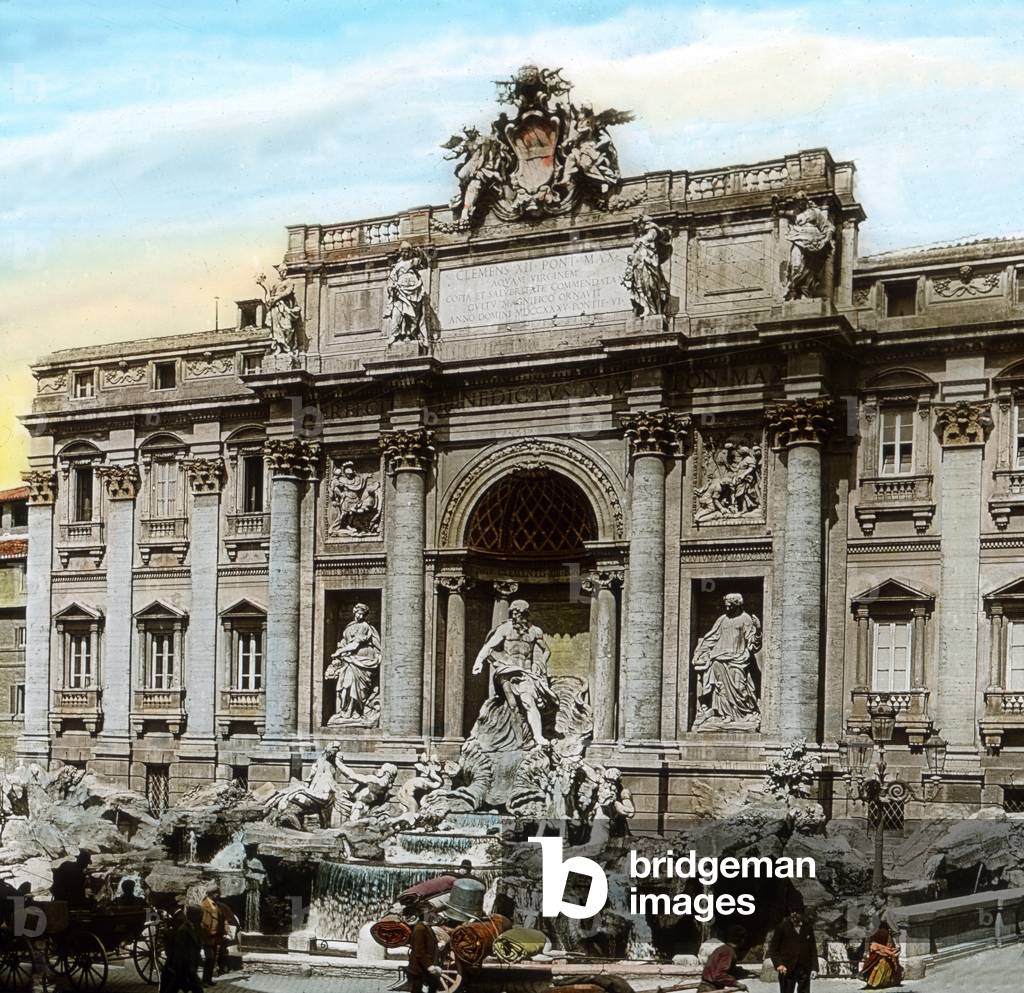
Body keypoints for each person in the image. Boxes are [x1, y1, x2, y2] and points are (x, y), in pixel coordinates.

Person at [471, 599, 556, 749]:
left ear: (526, 613)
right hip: (507, 670)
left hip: (525, 672)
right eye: (514, 613)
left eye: (519, 613)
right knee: (513, 705)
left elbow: (547, 650)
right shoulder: (505, 629)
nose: (516, 616)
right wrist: (479, 661)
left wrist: (540, 663)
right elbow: (489, 646)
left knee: (529, 702)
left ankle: (537, 736)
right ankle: (517, 741)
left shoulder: (535, 631)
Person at [692, 593, 763, 731]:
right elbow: (711, 637)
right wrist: (700, 652)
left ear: (737, 605)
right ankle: (725, 716)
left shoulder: (745, 619)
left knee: (740, 688)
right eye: (726, 606)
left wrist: (758, 630)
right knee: (720, 689)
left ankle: (745, 714)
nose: (727, 608)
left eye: (730, 606)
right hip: (719, 658)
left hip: (738, 660)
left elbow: (752, 644)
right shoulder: (722, 619)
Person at [325, 604, 382, 724]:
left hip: (362, 662)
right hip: (349, 661)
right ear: (354, 612)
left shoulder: (364, 627)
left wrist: (340, 651)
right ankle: (344, 711)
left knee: (356, 688)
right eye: (358, 613)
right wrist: (340, 652)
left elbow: (355, 644)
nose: (360, 616)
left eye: (363, 614)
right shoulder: (349, 626)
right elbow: (344, 642)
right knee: (343, 688)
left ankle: (355, 712)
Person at [769, 906, 819, 993]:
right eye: (792, 911)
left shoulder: (808, 928)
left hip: (804, 969)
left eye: (797, 912)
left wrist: (814, 968)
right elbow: (773, 949)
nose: (794, 914)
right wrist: (779, 964)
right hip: (786, 969)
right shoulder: (782, 927)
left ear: (803, 914)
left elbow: (813, 949)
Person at [160, 905, 204, 993]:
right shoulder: (183, 930)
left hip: (189, 963)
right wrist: (177, 966)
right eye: (199, 915)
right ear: (193, 916)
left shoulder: (195, 927)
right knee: (196, 986)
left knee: (175, 985)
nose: (201, 917)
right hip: (185, 964)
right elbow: (179, 950)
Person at [698, 926, 750, 991]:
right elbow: (720, 975)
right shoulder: (728, 952)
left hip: (705, 985)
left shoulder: (722, 949)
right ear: (742, 940)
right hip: (710, 988)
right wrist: (737, 984)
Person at [406, 903, 443, 993]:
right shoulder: (420, 928)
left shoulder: (427, 927)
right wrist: (429, 966)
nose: (434, 916)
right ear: (425, 916)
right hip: (419, 967)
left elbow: (430, 943)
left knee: (433, 986)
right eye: (431, 914)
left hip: (423, 966)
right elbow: (419, 951)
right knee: (417, 988)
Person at [860, 921, 903, 989]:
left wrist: (897, 943)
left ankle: (887, 981)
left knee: (887, 963)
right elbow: (867, 938)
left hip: (887, 944)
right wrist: (866, 951)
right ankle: (874, 982)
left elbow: (894, 932)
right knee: (876, 963)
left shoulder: (887, 918)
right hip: (876, 947)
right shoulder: (871, 923)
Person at [200, 883, 228, 985]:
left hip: (216, 936)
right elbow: (203, 922)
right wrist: (208, 932)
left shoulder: (216, 904)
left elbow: (221, 918)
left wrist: (224, 930)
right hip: (207, 936)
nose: (219, 895)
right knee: (209, 958)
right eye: (217, 893)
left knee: (212, 959)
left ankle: (208, 980)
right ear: (212, 894)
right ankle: (204, 980)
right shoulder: (205, 905)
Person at [241, 845, 266, 934]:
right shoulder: (244, 861)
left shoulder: (257, 862)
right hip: (249, 889)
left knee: (255, 908)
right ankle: (249, 929)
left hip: (255, 889)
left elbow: (263, 874)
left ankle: (253, 929)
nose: (248, 852)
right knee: (249, 907)